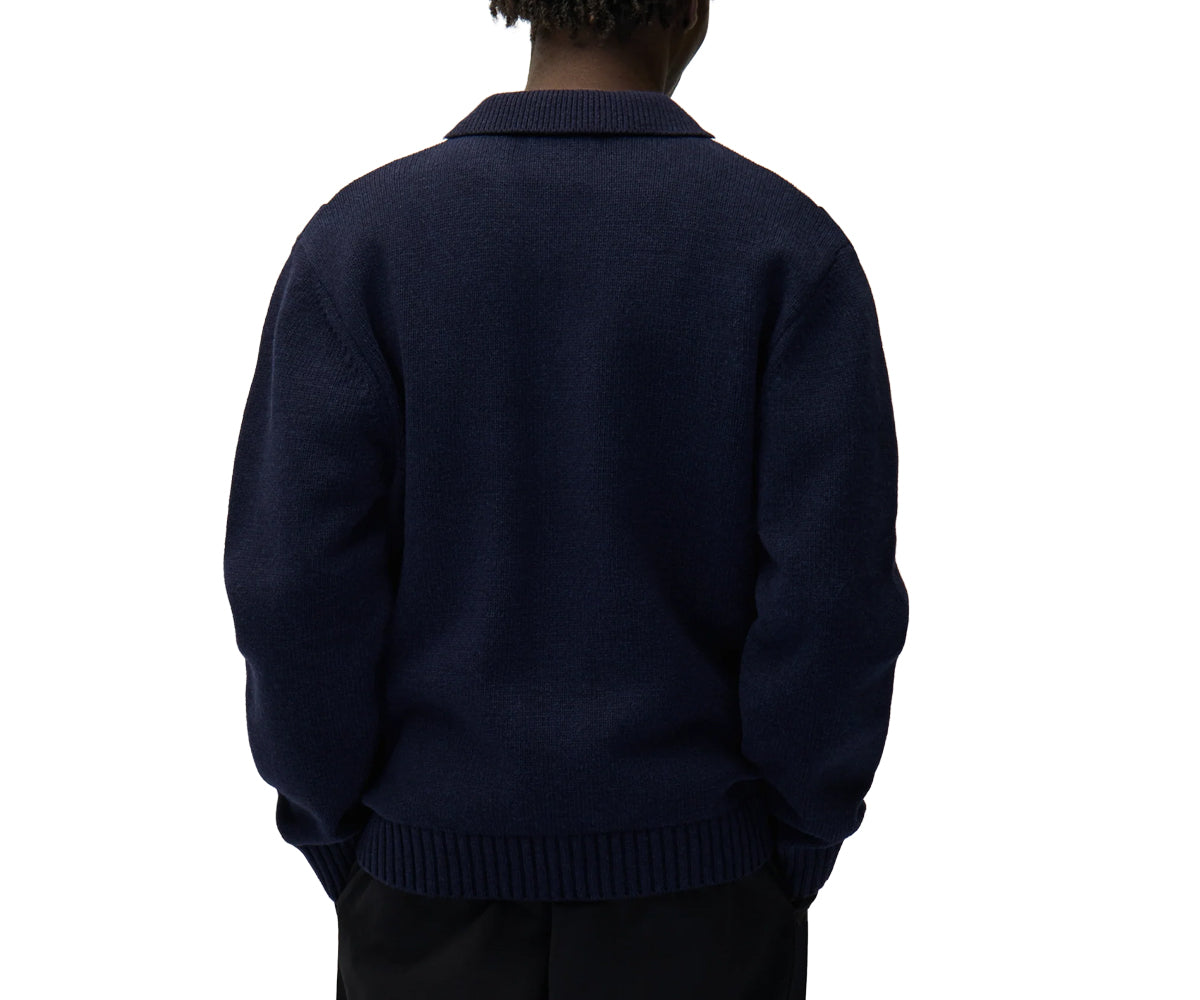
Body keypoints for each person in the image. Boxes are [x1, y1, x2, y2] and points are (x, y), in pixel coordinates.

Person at [222, 1, 909, 997]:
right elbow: (832, 599)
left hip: (423, 895)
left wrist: (342, 834)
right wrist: (790, 844)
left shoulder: (361, 244)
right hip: (708, 903)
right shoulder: (786, 251)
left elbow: (295, 589)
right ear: (692, 9)